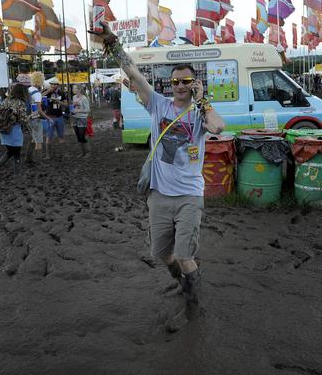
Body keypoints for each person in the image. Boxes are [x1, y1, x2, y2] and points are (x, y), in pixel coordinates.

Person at [91, 21, 225, 332]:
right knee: (162, 254)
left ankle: (193, 305)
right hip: (159, 195)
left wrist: (203, 101)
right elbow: (134, 73)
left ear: (194, 83)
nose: (180, 85)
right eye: (176, 81)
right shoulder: (157, 104)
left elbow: (219, 128)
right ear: (170, 84)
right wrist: (114, 46)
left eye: (186, 81)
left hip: (190, 195)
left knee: (184, 253)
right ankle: (186, 281)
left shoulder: (200, 112)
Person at [0, 83, 29, 178]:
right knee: (16, 152)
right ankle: (17, 173)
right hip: (14, 130)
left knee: (10, 152)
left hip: (4, 129)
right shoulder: (21, 103)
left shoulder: (5, 100)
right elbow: (23, 120)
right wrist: (31, 116)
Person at [25, 72, 52, 164]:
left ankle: (28, 158)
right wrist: (48, 118)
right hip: (35, 118)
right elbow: (40, 111)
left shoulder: (30, 89)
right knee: (39, 142)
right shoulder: (37, 94)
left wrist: (46, 92)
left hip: (28, 117)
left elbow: (37, 96)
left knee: (34, 138)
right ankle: (39, 161)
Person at [43, 77, 67, 159]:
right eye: (52, 84)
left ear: (57, 85)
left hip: (59, 117)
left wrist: (58, 102)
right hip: (50, 117)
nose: (53, 85)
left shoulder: (61, 93)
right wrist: (47, 91)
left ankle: (62, 154)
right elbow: (39, 97)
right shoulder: (47, 92)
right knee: (49, 136)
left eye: (55, 84)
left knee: (61, 136)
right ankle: (48, 155)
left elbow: (66, 105)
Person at [71, 84, 92, 156]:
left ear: (79, 90)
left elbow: (88, 110)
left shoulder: (84, 98)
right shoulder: (73, 97)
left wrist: (77, 111)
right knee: (78, 137)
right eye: (73, 88)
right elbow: (74, 107)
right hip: (75, 118)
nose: (73, 90)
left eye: (74, 88)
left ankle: (88, 152)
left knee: (82, 136)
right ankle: (82, 152)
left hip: (82, 118)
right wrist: (73, 107)